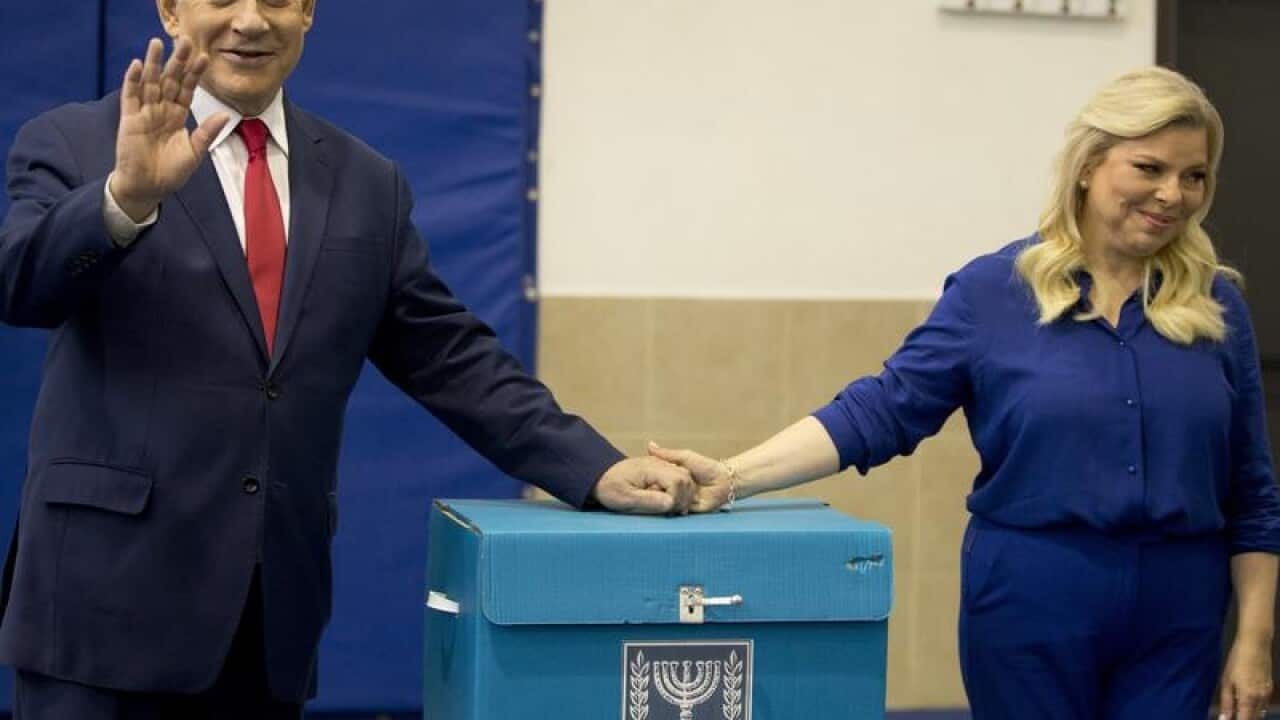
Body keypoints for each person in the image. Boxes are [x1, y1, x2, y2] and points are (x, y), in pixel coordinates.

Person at [0, 1, 694, 717]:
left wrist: (594, 466)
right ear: (173, 11)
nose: (250, 21)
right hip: (99, 620)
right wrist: (125, 199)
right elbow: (22, 286)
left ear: (306, 12)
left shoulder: (366, 183)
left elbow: (451, 358)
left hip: (268, 626)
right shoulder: (77, 141)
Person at [650, 66, 1280, 720]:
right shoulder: (993, 292)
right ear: (1089, 166)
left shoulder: (1217, 307)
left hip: (1179, 617)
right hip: (1031, 599)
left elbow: (1253, 493)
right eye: (1149, 168)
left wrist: (1255, 643)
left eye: (1194, 176)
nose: (1172, 194)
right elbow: (881, 410)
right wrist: (731, 476)